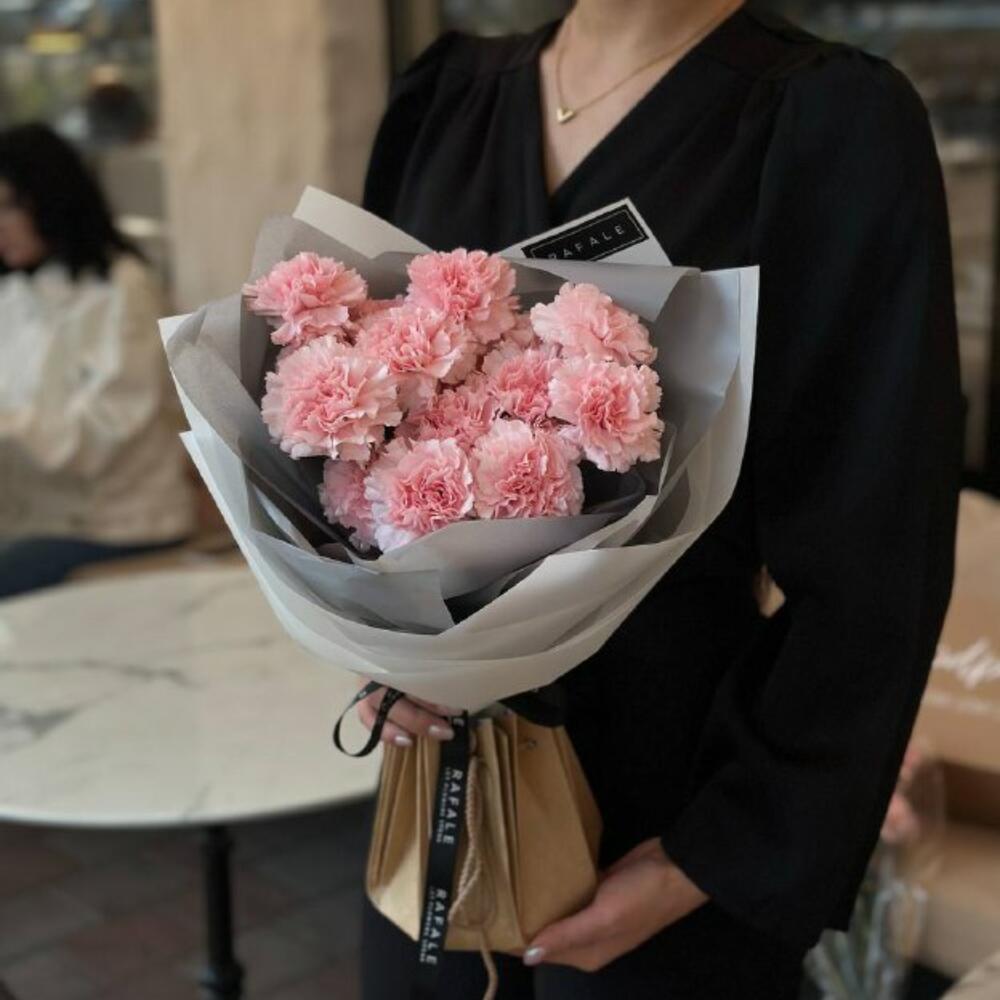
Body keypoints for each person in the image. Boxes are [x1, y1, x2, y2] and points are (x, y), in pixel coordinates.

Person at [356, 1, 963, 997]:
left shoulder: (823, 120)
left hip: (671, 796)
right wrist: (377, 638)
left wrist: (718, 852)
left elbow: (876, 546)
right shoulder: (445, 99)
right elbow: (361, 417)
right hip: (443, 786)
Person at [0, 123, 195, 598]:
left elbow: (99, 436)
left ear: (51, 198)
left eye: (8, 206)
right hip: (36, 518)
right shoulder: (15, 292)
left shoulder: (123, 286)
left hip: (116, 522)